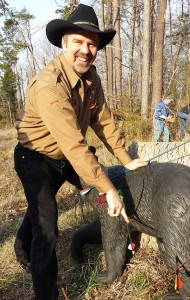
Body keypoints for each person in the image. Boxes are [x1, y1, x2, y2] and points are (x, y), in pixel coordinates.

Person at [13, 4, 147, 300]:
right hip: (34, 158)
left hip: (67, 157)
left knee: (60, 204)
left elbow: (105, 123)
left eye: (92, 44)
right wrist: (108, 188)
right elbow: (74, 145)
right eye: (78, 42)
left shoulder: (92, 79)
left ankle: (118, 240)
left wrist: (127, 160)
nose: (85, 50)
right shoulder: (49, 85)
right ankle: (46, 294)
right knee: (46, 227)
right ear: (64, 43)